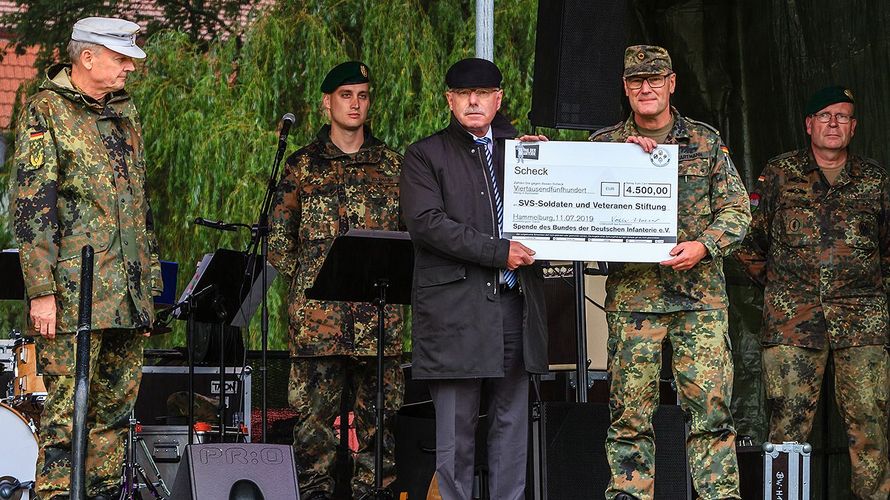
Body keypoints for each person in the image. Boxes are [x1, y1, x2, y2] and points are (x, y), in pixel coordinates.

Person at [10, 17, 161, 500]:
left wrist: (148, 289)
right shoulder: (45, 111)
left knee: (114, 414)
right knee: (64, 418)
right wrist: (41, 292)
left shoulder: (125, 113)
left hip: (127, 297)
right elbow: (33, 209)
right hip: (74, 296)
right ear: (88, 57)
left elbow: (141, 205)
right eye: (121, 59)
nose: (128, 69)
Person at [590, 45, 749, 500]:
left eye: (654, 79)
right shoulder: (604, 146)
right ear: (625, 87)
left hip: (699, 302)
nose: (646, 88)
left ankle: (719, 496)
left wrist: (704, 245)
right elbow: (570, 202)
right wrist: (536, 159)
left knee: (711, 413)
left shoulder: (704, 140)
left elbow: (738, 211)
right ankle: (629, 494)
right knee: (629, 414)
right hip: (635, 302)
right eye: (636, 81)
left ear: (671, 83)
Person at [399, 57, 548, 500]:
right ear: (449, 100)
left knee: (511, 427)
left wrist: (547, 166)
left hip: (513, 309)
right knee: (456, 437)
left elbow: (561, 205)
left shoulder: (521, 151)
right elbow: (426, 223)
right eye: (464, 94)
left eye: (483, 93)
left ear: (498, 99)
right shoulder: (424, 154)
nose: (474, 101)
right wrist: (498, 251)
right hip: (456, 313)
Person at [734, 86, 889, 499]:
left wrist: (873, 295)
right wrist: (783, 287)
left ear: (854, 127)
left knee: (870, 429)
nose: (833, 123)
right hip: (792, 327)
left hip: (862, 326)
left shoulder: (875, 180)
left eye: (842, 116)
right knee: (786, 431)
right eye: (824, 116)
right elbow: (746, 244)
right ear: (809, 124)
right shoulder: (779, 175)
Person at [268, 61, 405, 500]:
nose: (355, 104)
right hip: (317, 326)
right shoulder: (302, 166)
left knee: (379, 428)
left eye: (363, 95)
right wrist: (313, 283)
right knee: (312, 430)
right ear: (327, 102)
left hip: (377, 325)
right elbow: (277, 240)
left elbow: (412, 237)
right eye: (346, 95)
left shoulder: (393, 165)